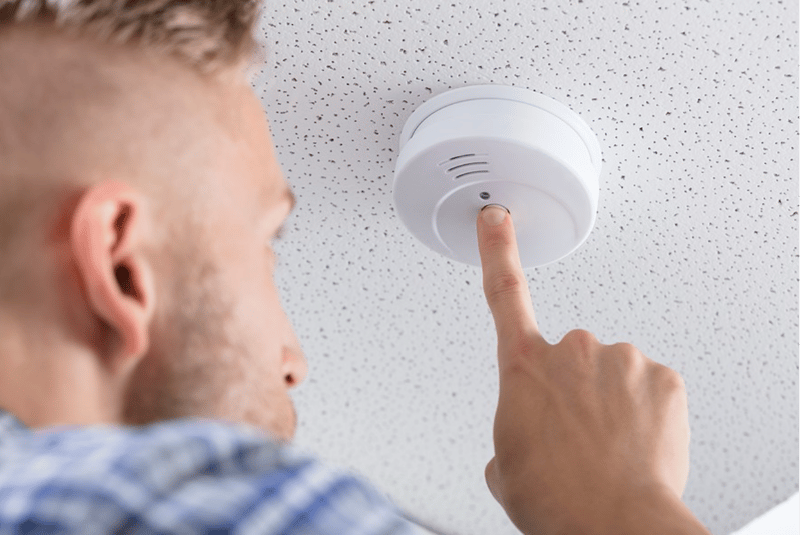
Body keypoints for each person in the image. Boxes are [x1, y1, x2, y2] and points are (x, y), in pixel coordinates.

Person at [0, 1, 713, 534]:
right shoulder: (239, 509)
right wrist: (619, 498)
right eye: (265, 242)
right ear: (122, 268)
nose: (294, 360)